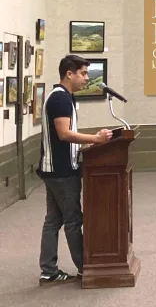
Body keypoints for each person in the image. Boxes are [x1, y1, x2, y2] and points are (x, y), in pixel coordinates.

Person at [37, 55, 114, 285]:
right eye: (83, 73)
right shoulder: (60, 99)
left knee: (53, 220)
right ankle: (85, 267)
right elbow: (64, 134)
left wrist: (85, 145)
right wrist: (96, 139)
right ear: (69, 74)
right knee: (72, 220)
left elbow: (64, 137)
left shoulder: (63, 96)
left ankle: (48, 269)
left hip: (54, 169)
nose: (86, 78)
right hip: (62, 173)